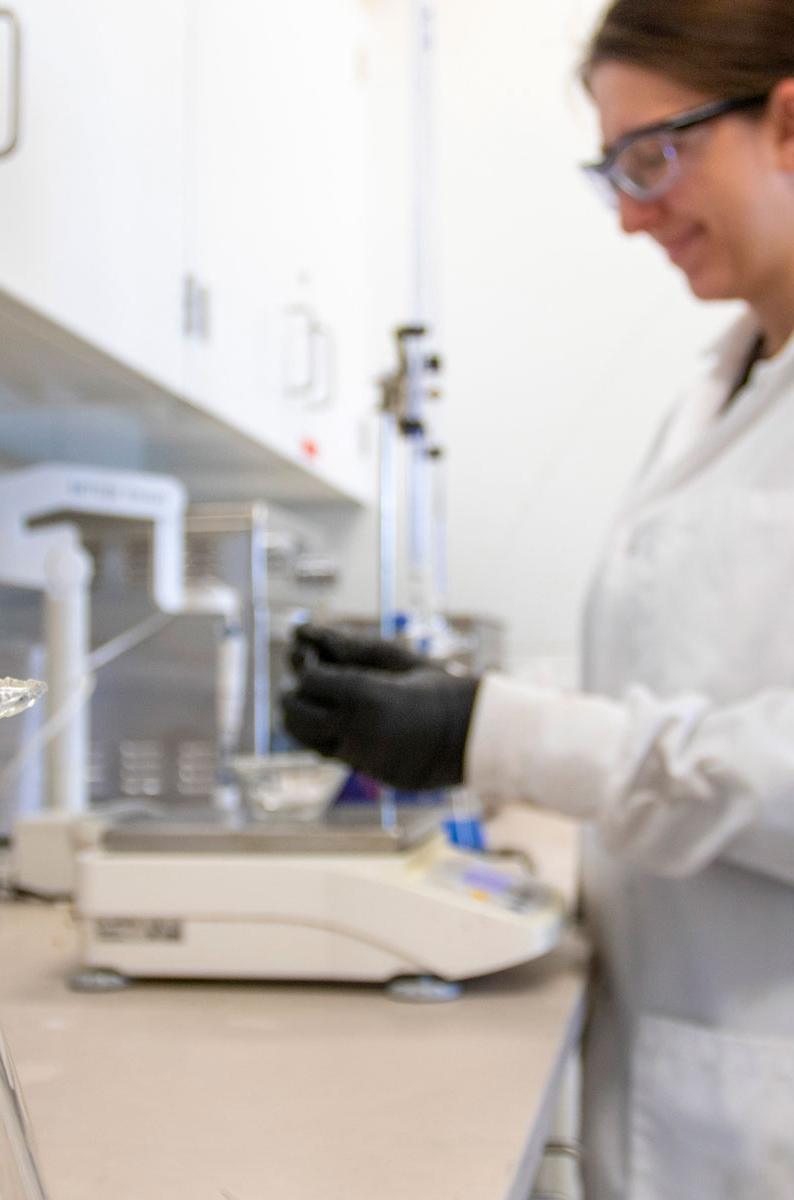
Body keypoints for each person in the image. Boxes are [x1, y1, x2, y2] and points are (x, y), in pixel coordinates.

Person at [280, 2, 794, 1196]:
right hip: (684, 1066)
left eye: (654, 156)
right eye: (611, 171)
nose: (629, 213)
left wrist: (489, 730)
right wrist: (468, 705)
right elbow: (674, 689)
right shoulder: (719, 387)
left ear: (785, 120)